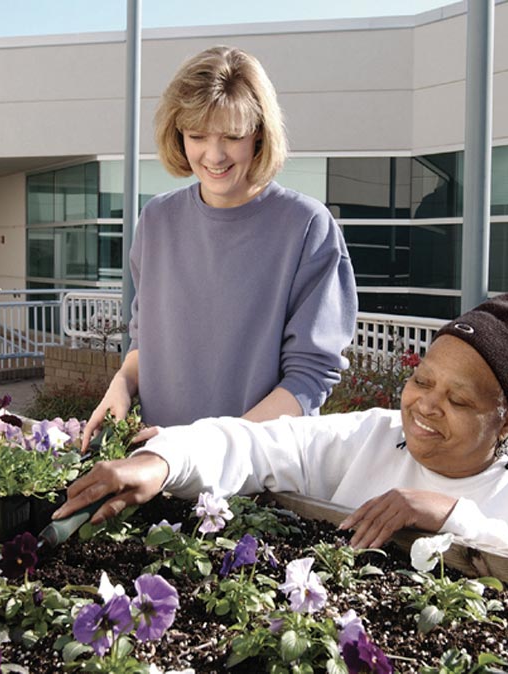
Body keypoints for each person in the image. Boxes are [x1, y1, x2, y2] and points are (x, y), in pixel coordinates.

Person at [57, 290, 508, 576]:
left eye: (459, 399)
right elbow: (257, 442)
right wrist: (162, 461)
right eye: (421, 380)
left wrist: (451, 516)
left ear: (506, 420)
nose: (425, 406)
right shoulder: (372, 435)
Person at [82, 45, 358, 447]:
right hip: (156, 463)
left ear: (259, 133)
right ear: (178, 135)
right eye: (197, 136)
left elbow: (309, 378)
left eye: (232, 136)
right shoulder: (157, 221)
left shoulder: (306, 227)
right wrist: (121, 384)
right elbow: (148, 343)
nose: (213, 155)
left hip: (256, 477)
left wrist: (211, 448)